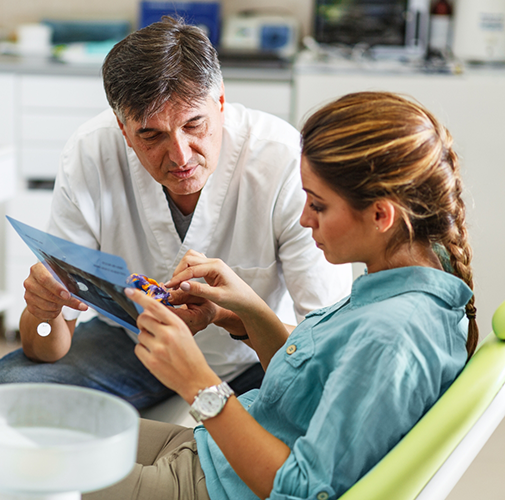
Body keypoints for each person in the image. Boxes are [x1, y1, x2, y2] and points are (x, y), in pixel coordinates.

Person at [84, 91, 479, 500]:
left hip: (212, 488)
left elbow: (300, 490)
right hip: (211, 457)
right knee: (48, 429)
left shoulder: (392, 337)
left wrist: (198, 384)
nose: (305, 218)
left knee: (24, 471)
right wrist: (241, 311)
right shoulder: (407, 283)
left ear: (381, 215)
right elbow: (305, 392)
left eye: (319, 205)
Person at [0, 17, 351, 408]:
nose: (180, 156)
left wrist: (228, 315)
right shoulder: (91, 152)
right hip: (134, 345)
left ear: (220, 101)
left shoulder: (284, 160)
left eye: (194, 125)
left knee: (311, 415)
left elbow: (328, 345)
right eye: (151, 135)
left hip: (251, 359)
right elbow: (45, 349)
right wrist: (42, 311)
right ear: (123, 129)